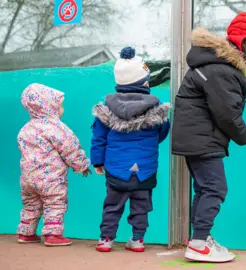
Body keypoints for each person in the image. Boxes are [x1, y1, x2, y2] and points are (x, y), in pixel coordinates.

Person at [171, 11, 246, 262]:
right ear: (243, 40)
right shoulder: (221, 70)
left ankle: (199, 237)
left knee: (205, 189)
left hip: (199, 138)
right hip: (203, 139)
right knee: (216, 189)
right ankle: (198, 244)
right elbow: (227, 113)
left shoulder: (217, 66)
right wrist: (244, 136)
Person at [90, 46, 171, 253]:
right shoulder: (156, 107)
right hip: (145, 169)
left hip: (115, 169)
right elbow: (161, 134)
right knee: (141, 206)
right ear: (144, 82)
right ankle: (137, 240)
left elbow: (99, 138)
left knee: (112, 205)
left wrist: (98, 162)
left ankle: (106, 239)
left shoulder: (106, 109)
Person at [17, 83, 92, 247]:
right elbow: (70, 148)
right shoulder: (56, 127)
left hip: (27, 179)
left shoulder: (25, 129)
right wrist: (82, 165)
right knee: (55, 202)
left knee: (31, 204)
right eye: (60, 106)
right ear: (49, 107)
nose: (62, 109)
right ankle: (53, 234)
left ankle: (26, 233)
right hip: (50, 179)